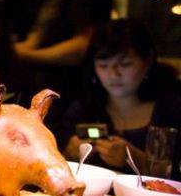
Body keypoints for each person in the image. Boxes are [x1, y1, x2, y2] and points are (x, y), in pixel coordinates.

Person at [59, 19, 181, 179]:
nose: (113, 74)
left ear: (148, 61)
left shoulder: (171, 109)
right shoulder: (83, 108)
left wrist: (133, 158)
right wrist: (69, 152)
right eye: (103, 65)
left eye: (125, 64)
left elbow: (175, 177)